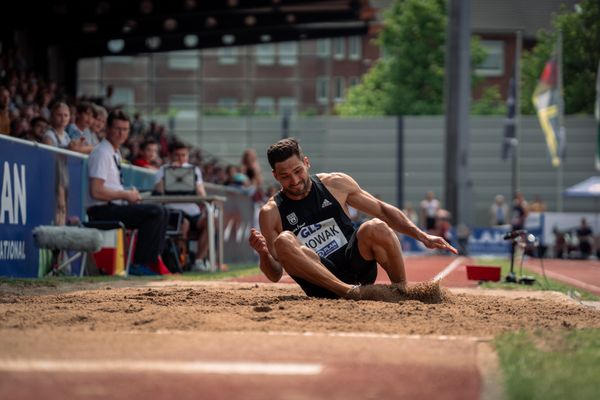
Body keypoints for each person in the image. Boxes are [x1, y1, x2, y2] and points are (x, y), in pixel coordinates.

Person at [248, 138, 457, 301]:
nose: (294, 181)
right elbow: (275, 274)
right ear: (275, 176)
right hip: (322, 285)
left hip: (356, 266)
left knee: (375, 226)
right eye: (285, 176)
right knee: (284, 240)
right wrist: (263, 254)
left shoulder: (335, 183)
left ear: (306, 163)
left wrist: (421, 235)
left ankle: (401, 291)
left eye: (297, 171)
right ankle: (349, 292)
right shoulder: (271, 212)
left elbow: (383, 210)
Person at [86, 109, 170, 275]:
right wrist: (125, 195)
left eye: (125, 129)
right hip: (101, 210)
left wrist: (128, 193)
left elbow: (110, 187)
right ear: (108, 129)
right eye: (117, 128)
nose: (121, 133)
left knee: (164, 211)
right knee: (155, 212)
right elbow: (96, 191)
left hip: (113, 206)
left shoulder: (114, 153)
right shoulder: (102, 153)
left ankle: (151, 263)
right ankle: (140, 265)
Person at [154, 141, 209, 271]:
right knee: (183, 224)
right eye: (177, 155)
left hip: (193, 212)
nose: (180, 158)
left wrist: (192, 181)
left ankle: (198, 261)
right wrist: (171, 174)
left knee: (211, 222)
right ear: (171, 156)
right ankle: (181, 261)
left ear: (188, 156)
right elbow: (157, 192)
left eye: (183, 155)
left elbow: (202, 193)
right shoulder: (163, 170)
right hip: (173, 211)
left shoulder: (194, 170)